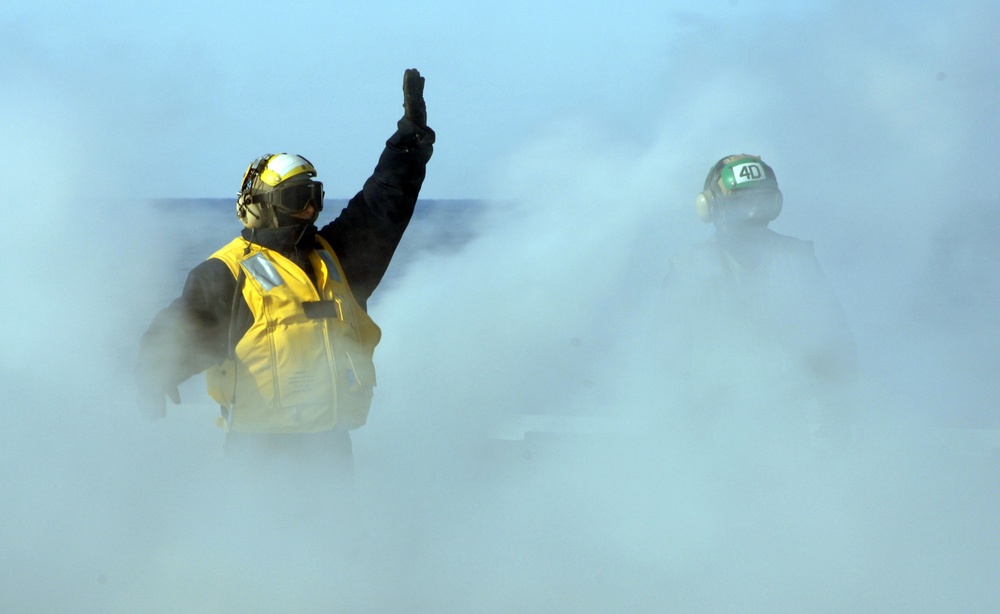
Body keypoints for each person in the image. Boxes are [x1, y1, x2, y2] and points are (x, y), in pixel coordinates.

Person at [134, 68, 434, 479]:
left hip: (330, 450)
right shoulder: (226, 274)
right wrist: (152, 375)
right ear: (261, 205)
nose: (310, 209)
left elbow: (385, 202)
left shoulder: (337, 259)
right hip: (259, 456)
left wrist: (411, 140)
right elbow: (180, 328)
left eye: (315, 196)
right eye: (297, 197)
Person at [653, 154, 857, 449]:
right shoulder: (688, 271)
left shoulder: (796, 261)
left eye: (761, 203)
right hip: (712, 431)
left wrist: (836, 422)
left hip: (789, 426)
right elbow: (666, 363)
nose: (752, 214)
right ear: (711, 208)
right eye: (740, 204)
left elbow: (834, 347)